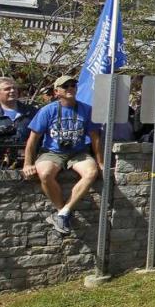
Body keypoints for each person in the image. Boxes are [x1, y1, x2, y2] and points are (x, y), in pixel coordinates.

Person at [21, 75, 102, 235]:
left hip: (78, 153)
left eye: (73, 85)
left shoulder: (86, 109)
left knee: (91, 172)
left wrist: (100, 162)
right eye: (66, 86)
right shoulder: (47, 110)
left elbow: (95, 138)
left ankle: (64, 212)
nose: (71, 88)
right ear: (57, 91)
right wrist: (27, 164)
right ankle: (61, 211)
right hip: (52, 152)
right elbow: (32, 140)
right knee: (44, 173)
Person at [0, 77, 38, 169]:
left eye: (14, 88)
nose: (12, 91)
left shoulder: (32, 112)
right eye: (7, 89)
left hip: (29, 163)